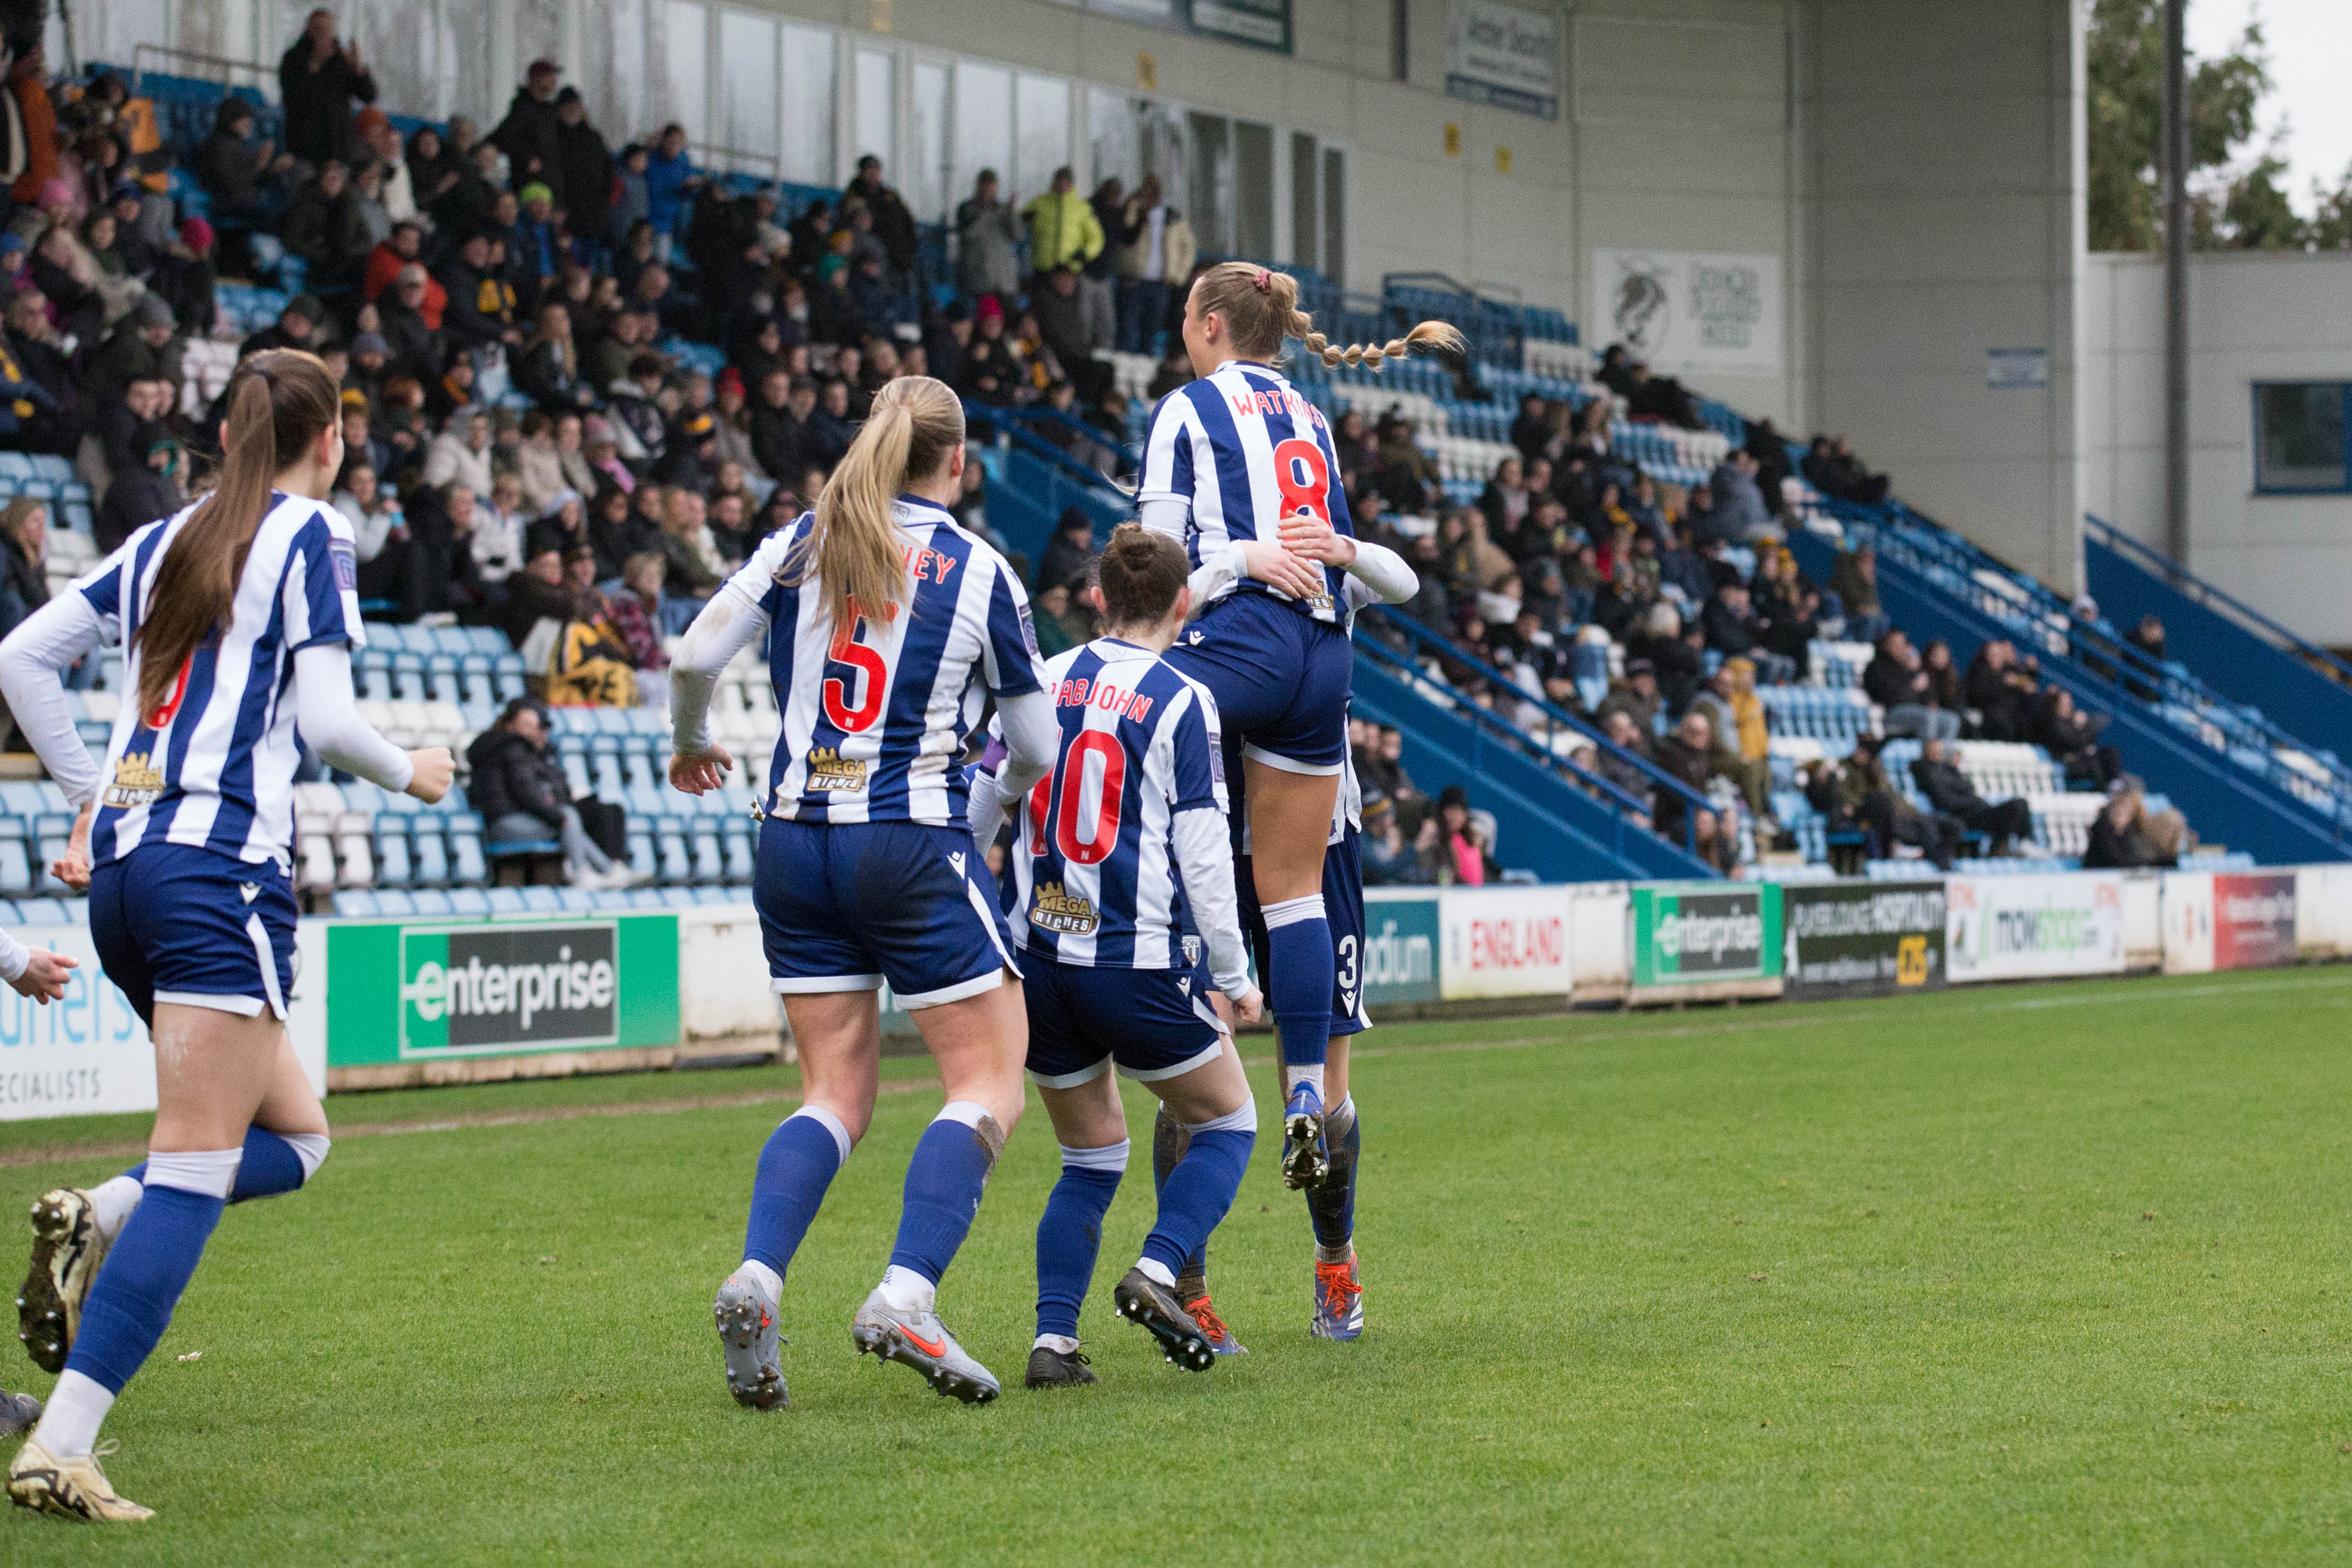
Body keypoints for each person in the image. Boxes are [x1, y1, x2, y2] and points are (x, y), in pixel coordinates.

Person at [0, 351, 452, 1523]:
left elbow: (21, 658)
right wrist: (417, 774)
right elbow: (326, 720)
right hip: (217, 875)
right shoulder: (312, 531)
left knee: (296, 1141)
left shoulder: (165, 536)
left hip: (130, 880)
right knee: (199, 1168)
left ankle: (102, 1211)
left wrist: (92, 793)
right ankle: (62, 1444)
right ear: (334, 436)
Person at [668, 375, 1054, 1409]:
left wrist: (690, 741)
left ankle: (758, 1274)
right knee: (986, 1079)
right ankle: (905, 1292)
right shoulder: (977, 569)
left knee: (832, 1091)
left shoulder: (807, 536)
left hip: (794, 841)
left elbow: (696, 649)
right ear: (958, 462)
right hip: (908, 838)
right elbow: (1034, 744)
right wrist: (990, 811)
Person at [1136, 259, 1461, 1192]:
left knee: (1103, 718)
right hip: (1325, 661)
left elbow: (1159, 571)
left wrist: (1235, 558)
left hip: (1242, 645)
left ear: (1207, 326)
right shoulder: (1311, 420)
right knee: (1296, 894)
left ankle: (1070, 939)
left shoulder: (1186, 410)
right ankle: (1303, 1096)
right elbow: (1353, 569)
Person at [956, 526, 1265, 1387]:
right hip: (1135, 961)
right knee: (1229, 1121)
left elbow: (984, 791)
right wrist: (1236, 979)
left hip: (1041, 962)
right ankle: (1160, 1269)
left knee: (1090, 1157)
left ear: (1097, 598)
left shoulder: (1045, 678)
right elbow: (1203, 854)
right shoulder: (1181, 699)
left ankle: (1053, 1342)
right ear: (1182, 604)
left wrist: (966, 874)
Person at [1146, 508, 1418, 1348]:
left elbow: (1402, 582)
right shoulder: (1203, 581)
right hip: (1214, 855)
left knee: (1327, 1093)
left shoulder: (1313, 564)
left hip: (1315, 845)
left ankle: (1334, 1264)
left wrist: (1339, 548)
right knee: (1195, 1082)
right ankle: (1189, 1286)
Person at [465, 696, 631, 885]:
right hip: (503, 823)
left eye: (534, 726)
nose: (534, 732)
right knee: (566, 817)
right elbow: (525, 792)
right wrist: (555, 816)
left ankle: (605, 871)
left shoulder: (510, 749)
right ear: (510, 725)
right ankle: (586, 873)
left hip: (507, 820)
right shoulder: (512, 749)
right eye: (526, 725)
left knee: (569, 820)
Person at [277, 9, 376, 169]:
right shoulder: (293, 59)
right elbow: (292, 99)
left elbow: (368, 96)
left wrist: (358, 71)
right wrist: (315, 66)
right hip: (304, 150)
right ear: (308, 30)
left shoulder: (342, 60)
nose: (323, 34)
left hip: (338, 150)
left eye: (327, 29)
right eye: (318, 29)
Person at [1910, 738, 2033, 857]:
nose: (1940, 754)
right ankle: (1998, 849)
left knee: (2020, 806)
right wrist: (1971, 800)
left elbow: (1967, 790)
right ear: (1927, 752)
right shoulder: (1929, 773)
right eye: (1936, 751)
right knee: (2018, 806)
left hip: (1978, 811)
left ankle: (2014, 845)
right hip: (1965, 817)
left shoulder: (1949, 771)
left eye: (1941, 751)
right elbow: (1945, 801)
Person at [1864, 628, 1960, 741]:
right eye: (1896, 644)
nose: (1900, 648)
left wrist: (1930, 702)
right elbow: (1889, 696)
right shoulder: (1877, 667)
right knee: (1928, 717)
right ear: (1886, 645)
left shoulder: (1910, 668)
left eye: (1902, 644)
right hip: (1892, 712)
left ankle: (1942, 756)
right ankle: (1928, 755)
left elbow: (1927, 691)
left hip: (1918, 709)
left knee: (1952, 720)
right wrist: (1913, 687)